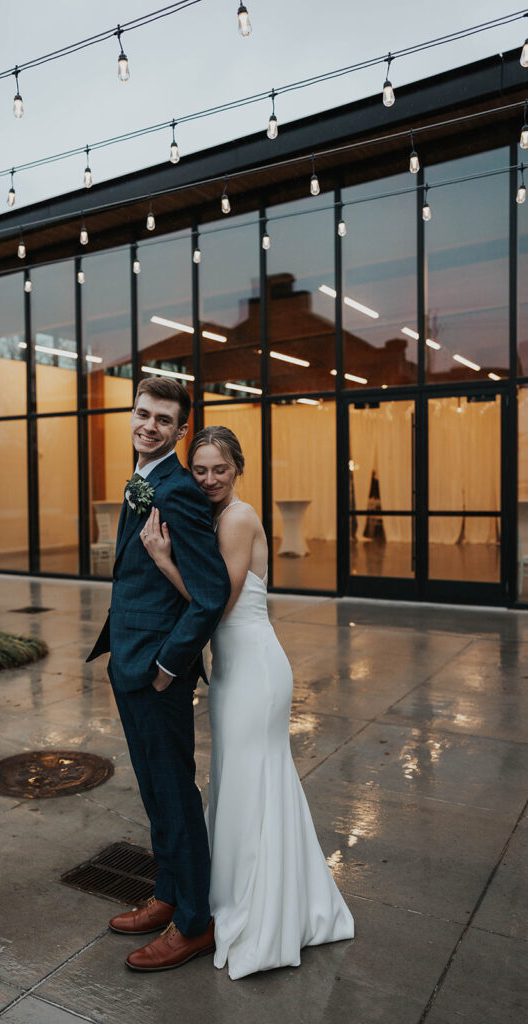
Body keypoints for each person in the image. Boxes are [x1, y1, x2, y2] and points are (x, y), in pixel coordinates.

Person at [140, 425, 355, 980]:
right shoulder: (212, 515)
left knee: (252, 782)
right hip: (234, 670)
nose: (210, 479)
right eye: (200, 470)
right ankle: (247, 896)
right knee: (244, 782)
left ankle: (260, 910)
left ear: (238, 469)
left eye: (221, 469)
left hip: (255, 671)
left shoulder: (237, 518)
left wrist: (165, 561)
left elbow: (217, 604)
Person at [86, 379, 231, 972]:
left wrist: (171, 668)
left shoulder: (177, 490)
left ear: (180, 430)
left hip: (157, 673)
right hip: (130, 663)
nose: (149, 425)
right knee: (153, 793)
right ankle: (167, 895)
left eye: (163, 419)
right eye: (142, 413)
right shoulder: (144, 480)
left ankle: (194, 923)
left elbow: (211, 591)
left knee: (174, 794)